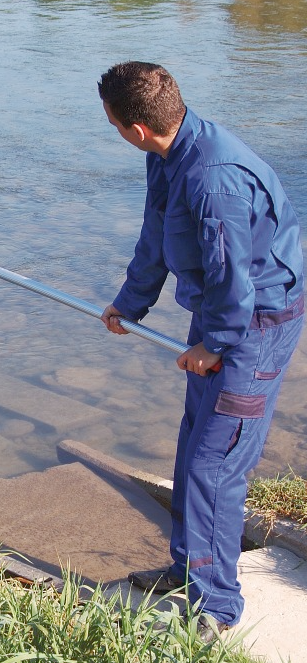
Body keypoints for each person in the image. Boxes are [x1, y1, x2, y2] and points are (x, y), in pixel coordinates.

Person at [97, 61, 304, 642]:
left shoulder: (215, 180)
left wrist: (215, 344)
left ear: (137, 128)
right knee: (194, 445)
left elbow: (233, 278)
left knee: (215, 465)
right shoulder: (166, 155)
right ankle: (188, 568)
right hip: (224, 314)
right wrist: (130, 304)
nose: (113, 130)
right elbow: (156, 237)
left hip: (255, 324)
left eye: (112, 123)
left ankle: (216, 607)